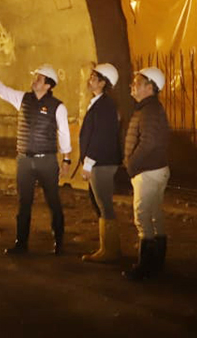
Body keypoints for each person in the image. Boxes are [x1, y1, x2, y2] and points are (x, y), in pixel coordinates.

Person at [0, 57, 71, 255]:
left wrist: (66, 159)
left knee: (53, 201)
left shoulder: (58, 107)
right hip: (25, 160)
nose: (34, 80)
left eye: (39, 78)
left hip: (46, 160)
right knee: (24, 202)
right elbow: (0, 89)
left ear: (48, 84)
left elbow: (64, 133)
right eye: (35, 77)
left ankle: (59, 241)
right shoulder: (23, 99)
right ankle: (21, 243)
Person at [123, 67, 171, 280]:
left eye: (137, 83)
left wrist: (132, 163)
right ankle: (157, 263)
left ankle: (145, 266)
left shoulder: (149, 111)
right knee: (154, 215)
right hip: (155, 169)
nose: (132, 87)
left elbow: (148, 142)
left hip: (147, 171)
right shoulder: (149, 109)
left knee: (142, 216)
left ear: (150, 87)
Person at [79, 63, 122, 263]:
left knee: (104, 204)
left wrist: (88, 164)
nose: (90, 80)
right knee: (100, 203)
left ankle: (109, 251)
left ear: (103, 82)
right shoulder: (99, 102)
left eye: (94, 77)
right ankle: (107, 248)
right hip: (99, 161)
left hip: (101, 163)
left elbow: (101, 136)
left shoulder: (105, 105)